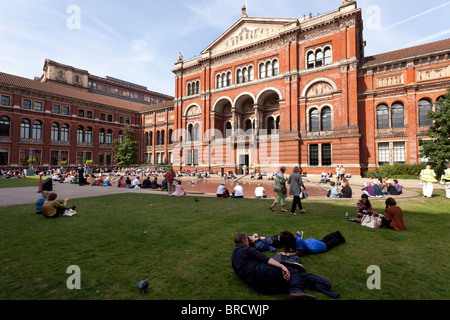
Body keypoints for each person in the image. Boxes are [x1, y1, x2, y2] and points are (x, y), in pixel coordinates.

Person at [231, 232, 318, 300]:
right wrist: (282, 267)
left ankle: (294, 290)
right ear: (245, 243)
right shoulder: (247, 249)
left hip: (257, 285)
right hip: (259, 271)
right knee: (290, 271)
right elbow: (266, 259)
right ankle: (297, 291)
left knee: (285, 281)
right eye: (247, 240)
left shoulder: (234, 256)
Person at [279, 230, 345, 256]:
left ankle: (339, 238)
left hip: (316, 247)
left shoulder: (298, 241)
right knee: (323, 240)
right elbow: (286, 249)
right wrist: (284, 244)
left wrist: (286, 254)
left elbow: (297, 253)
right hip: (311, 243)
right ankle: (336, 233)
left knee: (328, 244)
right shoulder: (292, 237)